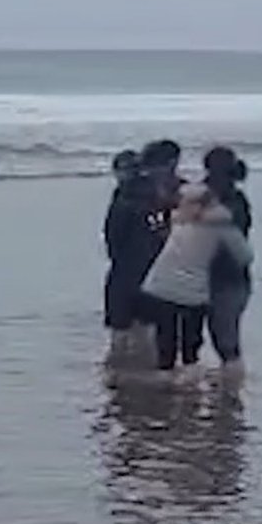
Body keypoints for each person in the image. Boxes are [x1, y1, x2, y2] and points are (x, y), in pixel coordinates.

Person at [141, 182, 255, 383]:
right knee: (190, 335)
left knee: (166, 333)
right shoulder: (221, 226)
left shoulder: (178, 220)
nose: (180, 204)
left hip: (161, 284)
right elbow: (245, 256)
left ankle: (167, 376)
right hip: (192, 289)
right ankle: (187, 374)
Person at [102, 147, 168, 364]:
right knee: (147, 329)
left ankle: (119, 371)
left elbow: (113, 238)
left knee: (119, 331)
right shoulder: (157, 197)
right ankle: (146, 368)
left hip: (125, 271)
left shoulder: (123, 201)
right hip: (153, 272)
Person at [202, 146, 253, 389]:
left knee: (225, 338)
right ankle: (231, 385)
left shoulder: (229, 203)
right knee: (222, 335)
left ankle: (232, 389)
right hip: (227, 277)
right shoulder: (236, 200)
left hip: (226, 278)